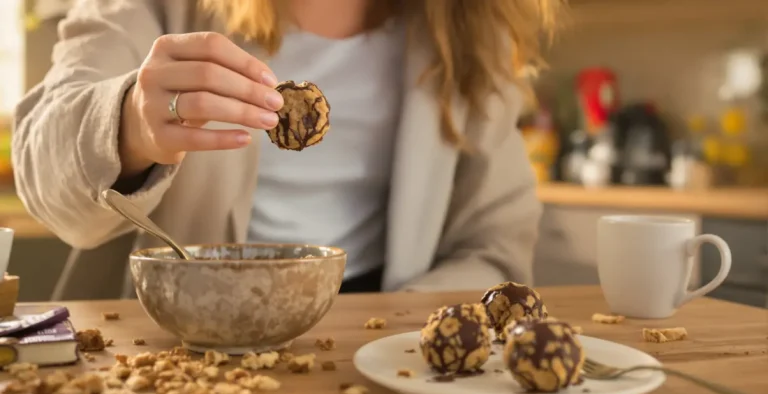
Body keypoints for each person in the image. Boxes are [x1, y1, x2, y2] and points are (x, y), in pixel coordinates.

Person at [12, 0, 558, 299]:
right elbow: (40, 165)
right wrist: (130, 121)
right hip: (189, 335)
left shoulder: (472, 28)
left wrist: (396, 326)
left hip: (381, 329)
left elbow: (495, 245)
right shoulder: (156, 8)